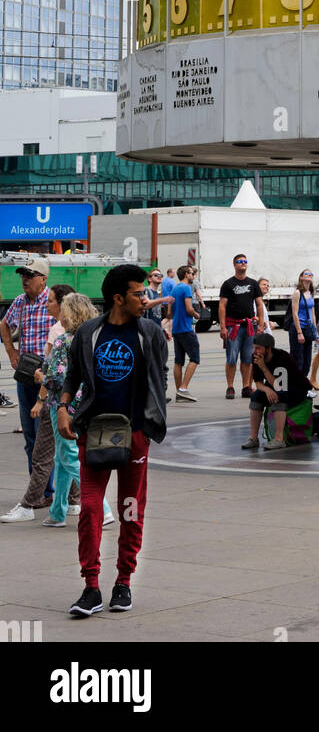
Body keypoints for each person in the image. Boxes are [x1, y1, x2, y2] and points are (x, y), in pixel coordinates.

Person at [59, 264, 168, 618]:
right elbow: (73, 376)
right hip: (95, 432)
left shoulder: (149, 333)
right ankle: (91, 587)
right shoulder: (89, 333)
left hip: (135, 434)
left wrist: (152, 419)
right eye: (139, 293)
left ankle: (123, 582)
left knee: (130, 510)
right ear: (118, 298)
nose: (146, 299)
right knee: (90, 509)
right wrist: (62, 407)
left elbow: (159, 377)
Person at [1, 281, 75, 523]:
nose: (47, 304)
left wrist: (41, 399)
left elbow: (53, 371)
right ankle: (64, 508)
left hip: (54, 401)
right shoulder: (77, 330)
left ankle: (29, 504)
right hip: (69, 400)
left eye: (51, 301)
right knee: (65, 455)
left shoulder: (58, 332)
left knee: (43, 453)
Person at [40, 293, 113, 529]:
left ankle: (102, 507)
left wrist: (41, 376)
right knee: (62, 457)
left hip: (61, 405)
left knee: (69, 456)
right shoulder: (94, 338)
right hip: (87, 403)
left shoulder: (64, 341)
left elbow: (57, 377)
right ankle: (57, 512)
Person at [0, 260, 52, 494]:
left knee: (46, 436)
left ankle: (53, 490)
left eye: (30, 275)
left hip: (49, 377)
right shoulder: (20, 302)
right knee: (30, 437)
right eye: (23, 275)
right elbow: (4, 325)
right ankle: (38, 489)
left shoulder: (53, 301)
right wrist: (11, 352)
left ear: (43, 279)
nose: (25, 279)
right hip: (25, 377)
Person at [242, 333, 312, 451]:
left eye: (258, 348)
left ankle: (279, 439)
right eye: (254, 347)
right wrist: (267, 389)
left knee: (278, 397)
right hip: (276, 387)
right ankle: (253, 438)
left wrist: (263, 367)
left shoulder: (282, 357)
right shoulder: (256, 357)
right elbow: (258, 383)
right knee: (256, 397)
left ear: (268, 349)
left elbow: (279, 387)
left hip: (297, 388)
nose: (255, 351)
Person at [219, 253, 266, 400]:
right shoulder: (228, 284)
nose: (243, 263)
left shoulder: (253, 283)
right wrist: (222, 326)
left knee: (247, 358)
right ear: (234, 265)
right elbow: (222, 306)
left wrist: (260, 324)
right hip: (233, 326)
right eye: (240, 261)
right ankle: (230, 387)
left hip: (250, 326)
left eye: (245, 261)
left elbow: (259, 304)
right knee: (232, 358)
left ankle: (246, 387)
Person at [171, 266, 200, 402]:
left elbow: (169, 313)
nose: (193, 274)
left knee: (178, 361)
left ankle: (179, 393)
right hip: (186, 328)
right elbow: (189, 309)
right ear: (185, 274)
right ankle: (183, 388)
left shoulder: (175, 289)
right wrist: (196, 314)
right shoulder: (187, 288)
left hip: (176, 328)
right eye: (191, 272)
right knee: (194, 358)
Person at [289, 270, 319, 379]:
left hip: (308, 330)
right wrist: (299, 332)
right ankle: (296, 386)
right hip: (299, 329)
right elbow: (295, 314)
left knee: (307, 361)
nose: (310, 275)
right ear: (301, 277)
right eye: (307, 274)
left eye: (311, 274)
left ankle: (303, 383)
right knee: (298, 360)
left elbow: (313, 314)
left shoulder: (310, 293)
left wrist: (316, 333)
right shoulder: (297, 293)